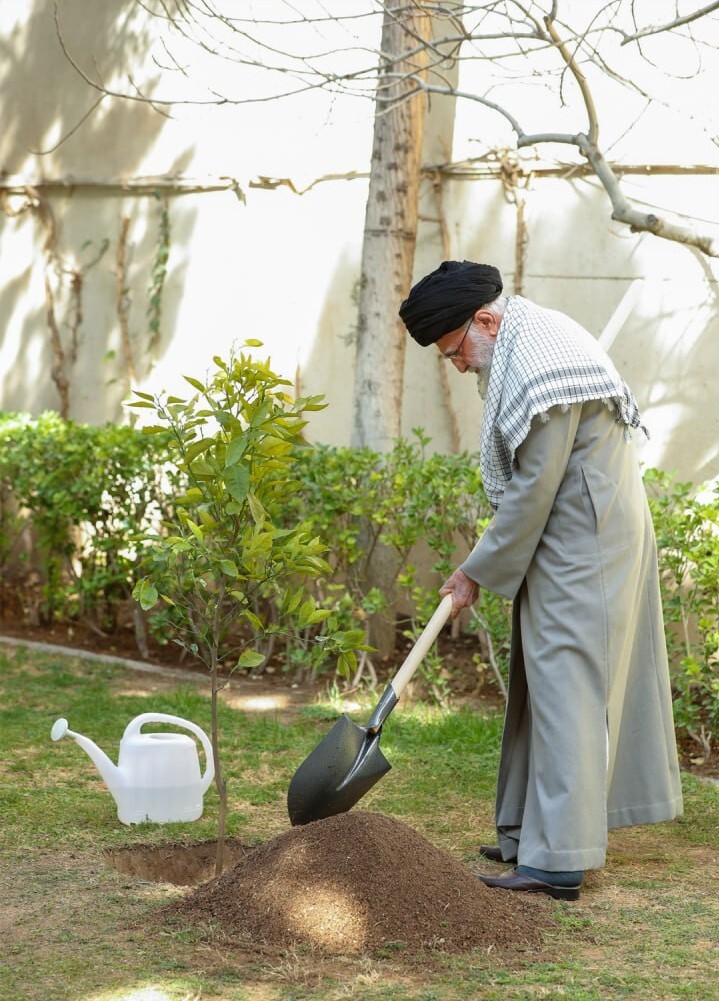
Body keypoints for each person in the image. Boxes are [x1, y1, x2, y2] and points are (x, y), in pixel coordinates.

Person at [399, 260, 683, 901]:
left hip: (587, 539)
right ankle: (528, 831)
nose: (460, 366)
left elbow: (533, 490)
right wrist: (484, 564)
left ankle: (556, 860)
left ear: (486, 320)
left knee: (567, 690)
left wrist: (474, 569)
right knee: (542, 683)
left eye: (455, 351)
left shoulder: (539, 364)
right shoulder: (524, 342)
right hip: (571, 531)